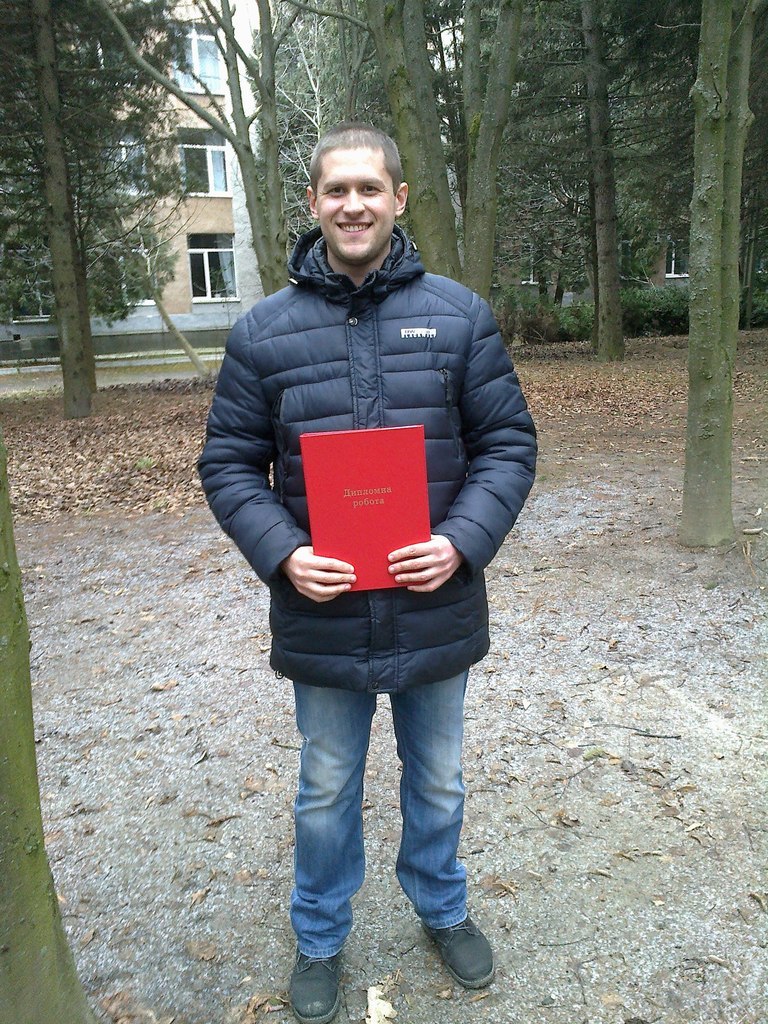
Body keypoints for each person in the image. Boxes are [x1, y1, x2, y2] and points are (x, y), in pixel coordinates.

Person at [198, 122, 536, 1024]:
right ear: (313, 202)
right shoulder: (263, 332)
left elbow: (508, 445)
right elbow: (228, 464)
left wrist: (461, 541)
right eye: (337, 190)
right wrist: (284, 552)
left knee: (439, 779)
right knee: (324, 788)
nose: (354, 205)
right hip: (326, 611)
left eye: (370, 189)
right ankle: (319, 934)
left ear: (399, 199)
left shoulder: (459, 316)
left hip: (436, 604)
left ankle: (442, 905)